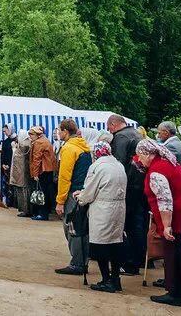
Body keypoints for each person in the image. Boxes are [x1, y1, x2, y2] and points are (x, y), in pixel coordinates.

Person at [137, 138, 181, 307]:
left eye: (140, 155)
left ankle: (174, 292)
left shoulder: (157, 170)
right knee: (179, 254)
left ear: (148, 154)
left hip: (175, 217)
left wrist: (166, 225)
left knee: (172, 254)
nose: (139, 159)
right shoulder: (169, 162)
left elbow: (164, 200)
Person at [75, 142, 127, 292]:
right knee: (115, 243)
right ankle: (116, 278)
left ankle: (106, 280)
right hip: (119, 208)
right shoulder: (118, 165)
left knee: (100, 244)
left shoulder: (98, 167)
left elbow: (90, 190)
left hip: (103, 209)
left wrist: (81, 197)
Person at [108, 113, 145, 275]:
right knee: (139, 224)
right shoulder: (137, 134)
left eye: (109, 128)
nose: (109, 131)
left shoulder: (121, 137)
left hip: (129, 187)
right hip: (141, 185)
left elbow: (118, 163)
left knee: (128, 225)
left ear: (114, 124)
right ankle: (141, 258)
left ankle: (131, 262)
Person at [54, 119, 91, 276]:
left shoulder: (69, 148)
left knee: (72, 227)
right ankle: (83, 261)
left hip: (72, 193)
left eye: (59, 130)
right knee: (82, 227)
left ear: (65, 131)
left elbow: (64, 176)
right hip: (83, 191)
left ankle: (77, 263)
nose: (57, 133)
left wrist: (60, 201)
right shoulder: (83, 146)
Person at [28, 126, 57, 220]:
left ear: (37, 135)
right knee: (46, 192)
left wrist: (35, 174)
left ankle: (42, 213)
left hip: (42, 170)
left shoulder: (38, 142)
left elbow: (36, 159)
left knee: (41, 193)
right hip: (48, 170)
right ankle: (44, 212)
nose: (30, 136)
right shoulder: (45, 140)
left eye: (31, 134)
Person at [10, 129, 32, 217]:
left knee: (24, 191)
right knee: (23, 190)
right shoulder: (25, 144)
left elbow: (17, 156)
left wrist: (13, 148)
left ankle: (26, 210)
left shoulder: (24, 145)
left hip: (22, 171)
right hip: (21, 171)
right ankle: (24, 209)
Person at [0, 125, 15, 208]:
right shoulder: (5, 142)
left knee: (13, 185)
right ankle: (6, 201)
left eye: (6, 131)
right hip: (6, 167)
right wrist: (3, 164)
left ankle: (13, 202)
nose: (5, 133)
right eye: (4, 132)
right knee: (6, 184)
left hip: (15, 166)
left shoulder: (17, 140)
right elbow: (3, 154)